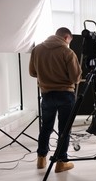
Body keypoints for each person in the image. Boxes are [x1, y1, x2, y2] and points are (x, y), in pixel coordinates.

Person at [29, 27, 82, 173]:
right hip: (65, 95)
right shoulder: (67, 52)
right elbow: (75, 78)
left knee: (46, 127)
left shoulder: (37, 49)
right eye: (69, 41)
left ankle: (41, 159)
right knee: (64, 130)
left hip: (46, 94)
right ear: (66, 37)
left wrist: (47, 75)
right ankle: (60, 162)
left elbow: (32, 72)